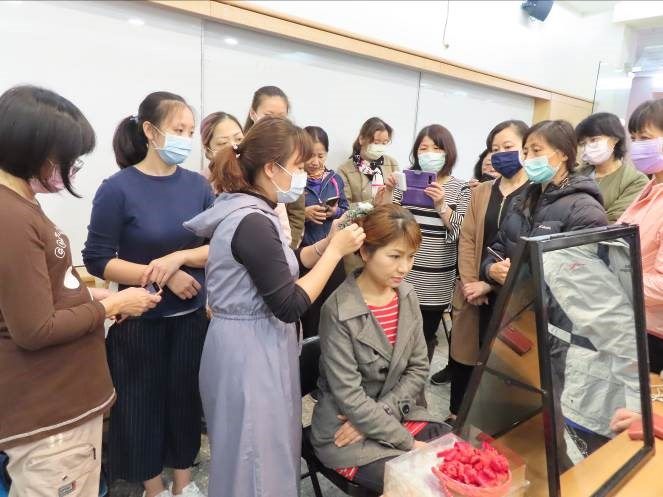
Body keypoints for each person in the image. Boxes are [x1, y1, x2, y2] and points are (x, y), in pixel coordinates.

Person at [184, 117, 365, 497]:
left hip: (256, 343)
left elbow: (281, 266)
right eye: (298, 166)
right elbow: (288, 302)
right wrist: (335, 253)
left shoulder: (254, 210)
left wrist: (324, 243)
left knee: (261, 451)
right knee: (253, 458)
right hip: (250, 352)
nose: (303, 174)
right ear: (272, 168)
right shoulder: (250, 220)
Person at [0, 85, 160, 497]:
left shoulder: (23, 205)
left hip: (63, 404)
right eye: (66, 156)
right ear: (33, 147)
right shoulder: (10, 218)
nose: (71, 167)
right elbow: (34, 329)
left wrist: (95, 299)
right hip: (50, 416)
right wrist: (116, 304)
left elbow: (50, 293)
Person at [83, 92, 214, 497]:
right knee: (140, 412)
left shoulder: (198, 186)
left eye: (191, 132)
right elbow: (98, 260)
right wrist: (161, 276)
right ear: (150, 131)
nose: (186, 139)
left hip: (191, 321)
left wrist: (177, 259)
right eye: (179, 130)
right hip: (139, 323)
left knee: (184, 406)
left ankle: (183, 485)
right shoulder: (117, 188)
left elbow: (215, 245)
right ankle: (154, 490)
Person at [310, 204, 450, 494]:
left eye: (410, 257)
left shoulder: (407, 296)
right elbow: (349, 396)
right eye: (395, 256)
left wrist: (382, 412)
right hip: (345, 433)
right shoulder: (338, 311)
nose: (405, 268)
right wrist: (410, 444)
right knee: (420, 485)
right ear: (365, 252)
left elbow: (418, 367)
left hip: (393, 413)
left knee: (456, 450)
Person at [447, 120, 530, 421]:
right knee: (466, 358)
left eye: (509, 147)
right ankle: (458, 420)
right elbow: (467, 237)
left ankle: (489, 427)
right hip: (473, 293)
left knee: (501, 367)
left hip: (512, 295)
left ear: (526, 148)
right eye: (495, 149)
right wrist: (472, 282)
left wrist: (491, 284)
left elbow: (526, 248)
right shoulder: (482, 191)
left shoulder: (535, 192)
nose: (501, 154)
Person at [380, 124, 471, 370]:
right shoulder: (405, 180)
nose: (429, 153)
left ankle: (414, 391)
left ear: (447, 152)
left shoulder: (460, 187)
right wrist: (388, 191)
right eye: (424, 148)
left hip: (436, 280)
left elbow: (462, 231)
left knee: (423, 338)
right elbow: (387, 219)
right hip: (400, 273)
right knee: (392, 336)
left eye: (437, 148)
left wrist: (441, 205)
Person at [481, 120, 608, 284]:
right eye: (526, 152)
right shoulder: (522, 199)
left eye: (536, 151)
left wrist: (524, 278)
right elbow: (498, 245)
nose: (528, 159)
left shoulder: (585, 209)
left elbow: (584, 276)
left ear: (563, 154)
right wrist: (490, 269)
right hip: (513, 303)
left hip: (550, 306)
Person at [200, 110, 294, 245]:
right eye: (222, 143)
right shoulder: (199, 183)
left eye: (239, 139)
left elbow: (284, 235)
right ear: (207, 150)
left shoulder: (261, 178)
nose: (233, 146)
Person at [617, 99, 663, 376]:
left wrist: (614, 279)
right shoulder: (650, 188)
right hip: (630, 320)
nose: (638, 146)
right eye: (634, 138)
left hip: (654, 333)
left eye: (645, 138)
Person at [300, 126, 349, 338]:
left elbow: (347, 210)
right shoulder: (294, 179)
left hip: (333, 251)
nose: (315, 161)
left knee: (333, 308)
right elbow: (282, 214)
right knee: (309, 310)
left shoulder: (335, 180)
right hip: (306, 254)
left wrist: (335, 211)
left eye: (321, 155)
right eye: (310, 155)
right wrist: (304, 214)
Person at [244, 85, 305, 248]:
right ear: (253, 114)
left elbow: (297, 211)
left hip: (283, 244)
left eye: (281, 117)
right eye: (268, 115)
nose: (275, 122)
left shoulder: (292, 150)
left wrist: (290, 249)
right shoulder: (242, 151)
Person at [576, 112, 648, 222]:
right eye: (583, 143)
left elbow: (613, 221)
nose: (588, 147)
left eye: (594, 140)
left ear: (615, 138)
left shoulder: (635, 181)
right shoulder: (577, 173)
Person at [337, 117, 400, 208]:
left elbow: (399, 198)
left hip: (387, 219)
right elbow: (344, 207)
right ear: (361, 139)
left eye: (384, 143)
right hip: (360, 220)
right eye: (376, 142)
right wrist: (373, 203)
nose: (380, 147)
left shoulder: (392, 163)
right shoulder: (345, 169)